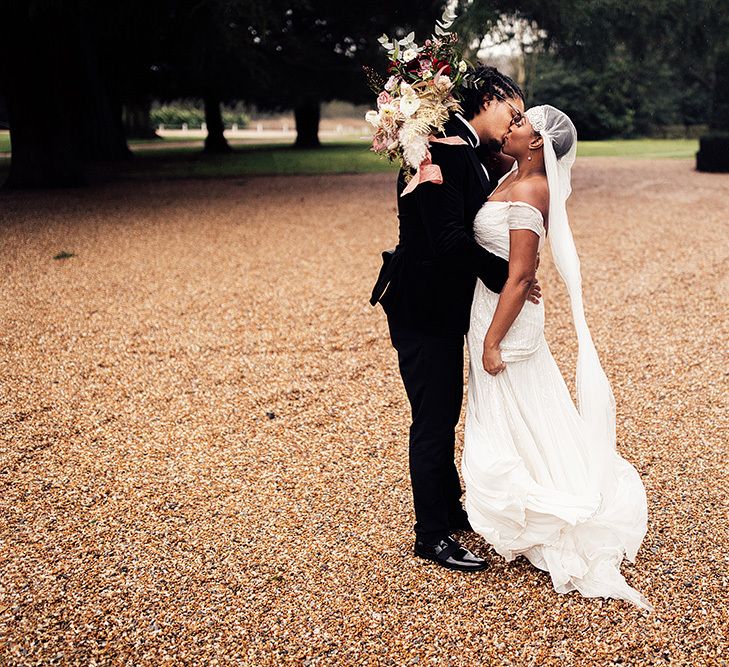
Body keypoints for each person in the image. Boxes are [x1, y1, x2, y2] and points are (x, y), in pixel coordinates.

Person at [462, 104, 653, 610]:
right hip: (490, 308)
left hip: (505, 320)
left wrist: (491, 341)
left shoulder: (528, 190)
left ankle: (544, 510)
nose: (512, 125)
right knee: (523, 409)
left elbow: (523, 275)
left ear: (536, 144)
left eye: (522, 123)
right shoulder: (508, 173)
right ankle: (531, 500)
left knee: (518, 406)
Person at [370, 66, 540, 571]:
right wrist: (512, 277)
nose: (518, 117)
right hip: (422, 306)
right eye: (515, 105)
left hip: (443, 307)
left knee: (444, 412)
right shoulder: (439, 149)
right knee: (434, 420)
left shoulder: (465, 150)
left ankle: (450, 509)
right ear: (489, 98)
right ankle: (431, 534)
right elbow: (446, 240)